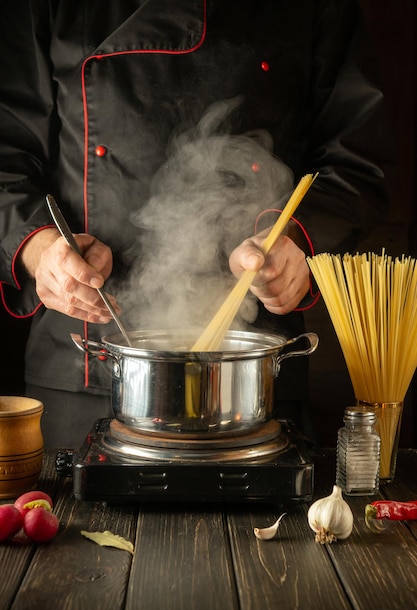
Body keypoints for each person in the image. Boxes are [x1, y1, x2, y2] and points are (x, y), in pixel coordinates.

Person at [0, 0, 394, 448]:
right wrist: (39, 248)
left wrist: (296, 240)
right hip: (84, 369)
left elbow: (359, 158)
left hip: (255, 381)